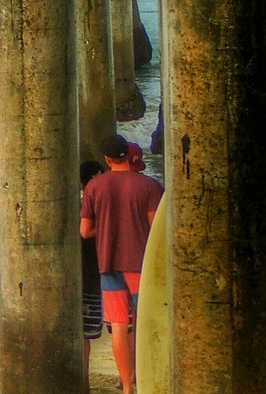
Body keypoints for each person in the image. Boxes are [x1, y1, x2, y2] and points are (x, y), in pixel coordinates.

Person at [79, 134, 163, 394]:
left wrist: (107, 227)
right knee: (145, 322)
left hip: (108, 263)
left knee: (118, 325)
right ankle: (146, 379)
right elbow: (155, 228)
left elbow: (85, 231)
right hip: (141, 264)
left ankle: (126, 386)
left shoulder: (94, 188)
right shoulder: (149, 186)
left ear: (107, 159)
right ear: (128, 153)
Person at [78, 162, 105, 394]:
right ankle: (83, 383)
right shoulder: (95, 203)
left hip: (74, 277)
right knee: (85, 333)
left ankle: (83, 382)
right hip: (91, 276)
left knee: (81, 333)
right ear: (95, 177)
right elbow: (86, 233)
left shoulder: (76, 203)